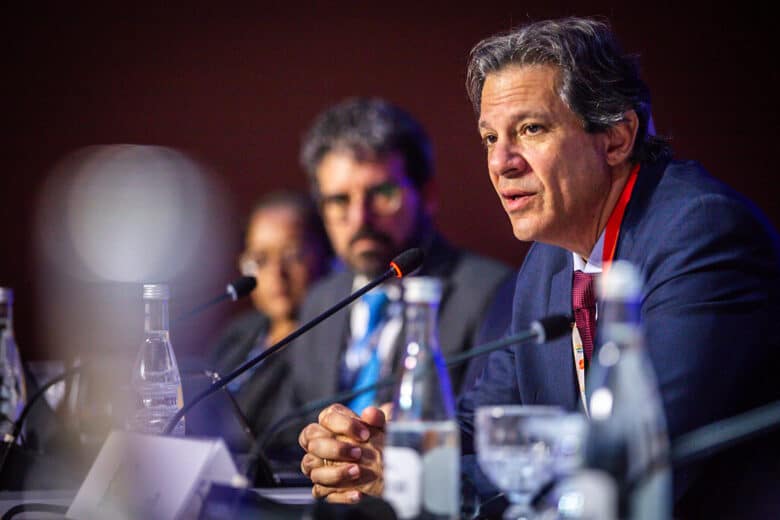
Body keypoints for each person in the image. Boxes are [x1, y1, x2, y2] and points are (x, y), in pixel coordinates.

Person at [297, 17, 780, 516]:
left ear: (616, 138)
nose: (502, 162)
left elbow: (637, 453)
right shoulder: (548, 262)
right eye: (489, 138)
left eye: (531, 129)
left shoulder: (701, 232)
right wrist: (380, 447)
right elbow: (484, 425)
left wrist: (422, 479)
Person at [274, 97, 513, 448]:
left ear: (427, 194)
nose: (360, 219)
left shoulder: (490, 293)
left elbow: (482, 434)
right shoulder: (321, 300)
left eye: (382, 194)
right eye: (339, 201)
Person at [208, 190, 332, 441]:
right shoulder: (238, 333)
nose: (276, 273)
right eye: (260, 259)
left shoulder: (331, 343)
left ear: (326, 255)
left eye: (292, 256)